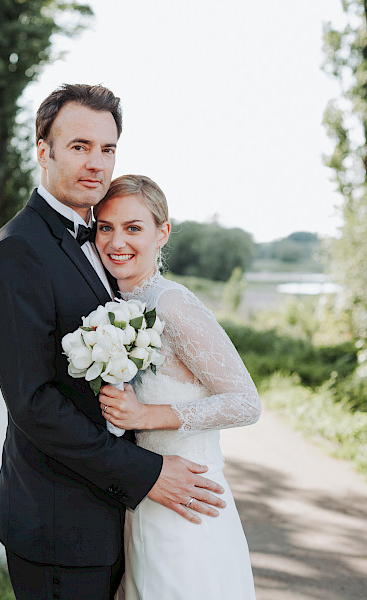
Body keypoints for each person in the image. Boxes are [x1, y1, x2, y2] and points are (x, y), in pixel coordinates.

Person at [0, 85, 228, 600]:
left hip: (113, 518)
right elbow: (33, 402)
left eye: (107, 148)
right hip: (59, 527)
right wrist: (147, 473)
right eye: (79, 146)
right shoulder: (19, 251)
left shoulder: (97, 238)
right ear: (43, 150)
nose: (97, 162)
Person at [94, 174, 261, 599]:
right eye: (105, 227)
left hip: (189, 503)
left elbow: (246, 402)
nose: (117, 242)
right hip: (143, 500)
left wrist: (146, 415)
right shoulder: (119, 308)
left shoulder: (173, 303)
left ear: (161, 232)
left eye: (133, 228)